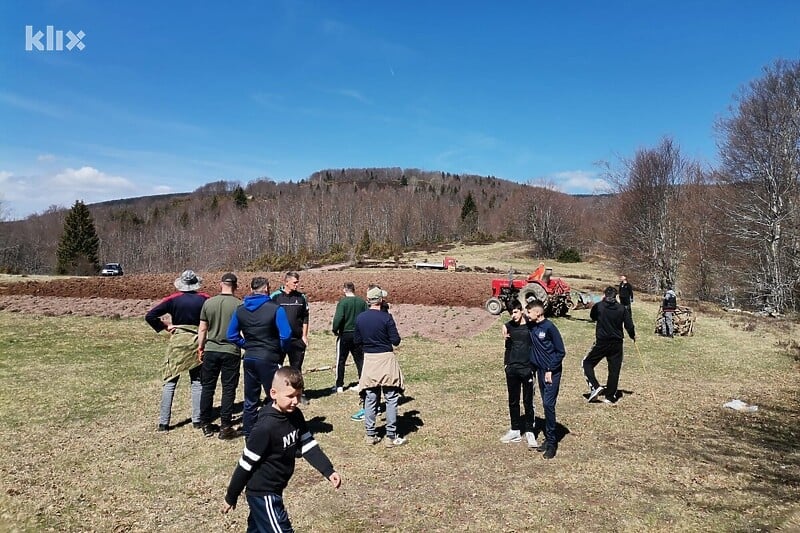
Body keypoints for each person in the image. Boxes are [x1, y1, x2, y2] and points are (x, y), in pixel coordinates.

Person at [222, 367, 341, 532]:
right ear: (273, 393)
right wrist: (231, 496)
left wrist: (328, 470)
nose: (295, 401)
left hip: (276, 488)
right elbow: (245, 465)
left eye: (298, 395)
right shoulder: (265, 427)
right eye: (290, 396)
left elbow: (307, 445)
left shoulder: (295, 415)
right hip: (263, 492)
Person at [227, 277, 292, 438]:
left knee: (250, 399)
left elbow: (231, 335)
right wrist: (280, 350)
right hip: (269, 357)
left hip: (250, 358)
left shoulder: (240, 309)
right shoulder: (276, 309)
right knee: (275, 397)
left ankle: (249, 433)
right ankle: (278, 432)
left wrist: (246, 345)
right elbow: (286, 334)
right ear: (267, 289)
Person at [145, 269, 209, 432]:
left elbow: (150, 316)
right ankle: (197, 420)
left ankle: (164, 423)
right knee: (197, 382)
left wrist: (165, 326)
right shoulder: (205, 299)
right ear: (196, 284)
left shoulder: (173, 299)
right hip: (197, 343)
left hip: (177, 344)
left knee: (170, 381)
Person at [355, 286, 407, 447]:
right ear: (381, 300)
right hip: (386, 359)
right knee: (391, 398)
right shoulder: (387, 318)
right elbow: (396, 340)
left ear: (368, 301)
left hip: (370, 360)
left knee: (370, 398)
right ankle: (391, 436)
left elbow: (357, 341)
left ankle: (370, 435)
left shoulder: (360, 318)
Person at [197, 272, 242, 440]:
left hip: (211, 349)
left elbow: (202, 329)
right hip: (231, 350)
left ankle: (206, 424)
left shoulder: (208, 303)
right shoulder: (239, 305)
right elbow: (243, 330)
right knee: (228, 389)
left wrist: (201, 347)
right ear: (236, 286)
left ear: (220, 284)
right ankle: (225, 425)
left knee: (208, 387)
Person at [525, 300, 565, 459]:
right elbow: (516, 319)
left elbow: (561, 351)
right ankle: (548, 439)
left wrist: (550, 369)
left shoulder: (550, 328)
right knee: (545, 403)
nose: (527, 315)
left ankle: (552, 443)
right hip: (540, 371)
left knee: (549, 404)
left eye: (529, 312)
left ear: (538, 313)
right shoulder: (532, 326)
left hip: (551, 373)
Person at [583, 286, 636, 405]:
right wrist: (632, 335)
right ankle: (610, 396)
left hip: (602, 341)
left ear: (605, 295)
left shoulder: (599, 306)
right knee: (614, 370)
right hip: (617, 343)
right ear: (616, 296)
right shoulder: (622, 309)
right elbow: (629, 325)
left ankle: (595, 387)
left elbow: (592, 317)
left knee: (587, 363)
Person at [500, 300, 537, 449]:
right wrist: (506, 365)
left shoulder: (531, 326)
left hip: (527, 369)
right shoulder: (508, 327)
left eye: (515, 312)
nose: (513, 315)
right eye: (510, 313)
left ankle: (529, 431)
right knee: (513, 400)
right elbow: (508, 347)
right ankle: (515, 429)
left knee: (528, 401)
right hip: (512, 369)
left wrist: (533, 367)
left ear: (521, 310)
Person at [331, 282, 368, 393]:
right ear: (354, 289)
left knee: (341, 360)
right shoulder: (362, 302)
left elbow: (339, 317)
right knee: (359, 359)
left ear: (344, 290)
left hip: (345, 334)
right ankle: (362, 382)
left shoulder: (343, 302)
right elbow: (366, 315)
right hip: (358, 334)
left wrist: (335, 329)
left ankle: (339, 385)